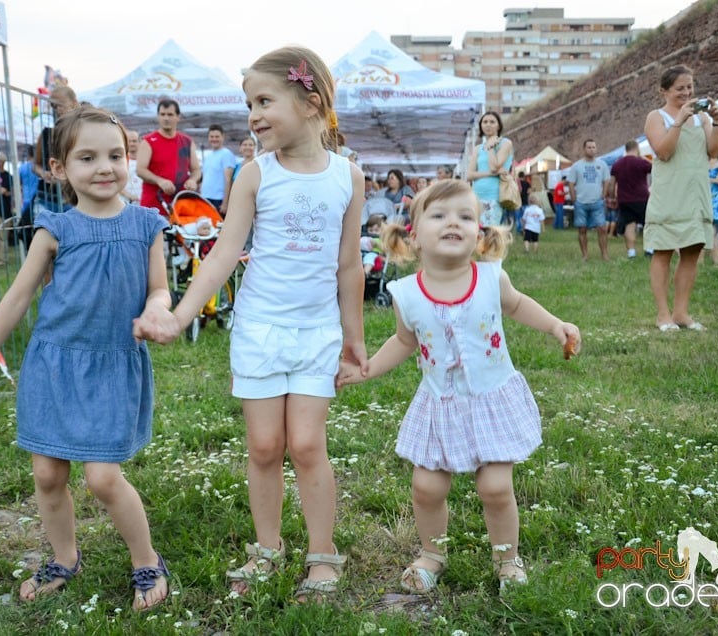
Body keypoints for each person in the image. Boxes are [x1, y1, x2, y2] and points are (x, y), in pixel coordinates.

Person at [134, 45, 367, 602]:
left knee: (307, 445)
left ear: (310, 101)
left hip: (317, 334)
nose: (253, 114)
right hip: (260, 330)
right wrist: (180, 313)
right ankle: (266, 549)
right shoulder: (253, 174)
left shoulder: (348, 177)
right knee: (264, 447)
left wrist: (354, 339)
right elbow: (220, 254)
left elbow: (350, 264)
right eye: (248, 104)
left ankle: (322, 555)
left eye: (265, 100)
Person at [0, 106, 172, 611]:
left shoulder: (146, 225)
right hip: (53, 366)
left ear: (130, 159)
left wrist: (158, 312)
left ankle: (146, 559)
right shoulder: (54, 229)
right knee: (48, 476)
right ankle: (64, 557)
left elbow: (159, 290)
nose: (104, 168)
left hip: (112, 365)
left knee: (102, 478)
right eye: (87, 157)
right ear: (59, 168)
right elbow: (17, 299)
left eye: (115, 155)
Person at [336, 179, 580, 594]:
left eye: (466, 217)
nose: (454, 223)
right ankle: (432, 554)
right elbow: (403, 341)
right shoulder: (406, 293)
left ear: (480, 235)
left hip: (492, 400)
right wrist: (368, 369)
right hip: (440, 404)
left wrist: (556, 325)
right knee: (426, 486)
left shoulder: (490, 279)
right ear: (413, 235)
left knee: (495, 486)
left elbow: (518, 304)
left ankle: (508, 559)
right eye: (440, 215)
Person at [644, 64, 718, 331]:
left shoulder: (701, 119)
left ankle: (681, 313)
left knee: (692, 251)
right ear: (664, 91)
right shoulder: (657, 117)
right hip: (669, 195)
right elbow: (664, 152)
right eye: (680, 88)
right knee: (663, 251)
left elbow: (714, 151)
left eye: (690, 87)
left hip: (696, 194)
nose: (687, 92)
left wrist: (717, 120)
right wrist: (679, 121)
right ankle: (662, 315)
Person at [137, 99, 201, 213]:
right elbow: (140, 170)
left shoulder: (187, 141)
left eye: (170, 114)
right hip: (153, 206)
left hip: (180, 206)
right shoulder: (148, 141)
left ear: (178, 117)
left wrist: (193, 180)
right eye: (162, 114)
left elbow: (196, 170)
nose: (166, 118)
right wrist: (159, 181)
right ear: (158, 117)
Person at [32, 86, 79, 222]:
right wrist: (44, 173)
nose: (57, 108)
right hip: (46, 198)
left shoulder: (82, 133)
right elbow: (36, 165)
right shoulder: (47, 134)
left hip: (74, 198)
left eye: (61, 103)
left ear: (74, 102)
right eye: (54, 105)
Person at [567, 139, 612, 261]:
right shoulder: (576, 166)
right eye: (589, 147)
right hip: (581, 202)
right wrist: (573, 198)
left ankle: (604, 254)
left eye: (593, 147)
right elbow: (571, 182)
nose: (592, 149)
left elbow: (607, 180)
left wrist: (604, 194)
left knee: (602, 228)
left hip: (597, 201)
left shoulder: (602, 165)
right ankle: (585, 255)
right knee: (582, 229)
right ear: (584, 149)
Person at [467, 111, 513, 227]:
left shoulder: (505, 143)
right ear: (481, 126)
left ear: (498, 125)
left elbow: (493, 167)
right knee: (476, 233)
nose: (488, 125)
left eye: (492, 122)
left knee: (490, 234)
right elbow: (469, 175)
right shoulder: (478, 148)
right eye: (485, 122)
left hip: (494, 197)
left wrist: (491, 146)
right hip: (477, 196)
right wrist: (489, 173)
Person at [609, 140, 652, 259]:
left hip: (624, 199)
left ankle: (631, 252)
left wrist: (612, 197)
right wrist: (644, 158)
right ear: (637, 148)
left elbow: (612, 183)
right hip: (642, 198)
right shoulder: (641, 162)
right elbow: (655, 168)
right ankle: (649, 250)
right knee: (647, 224)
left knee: (629, 225)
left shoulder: (617, 164)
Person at [200, 124, 236, 213]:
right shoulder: (208, 156)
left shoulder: (226, 154)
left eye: (217, 136)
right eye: (211, 136)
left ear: (222, 137)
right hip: (205, 198)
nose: (214, 139)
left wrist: (225, 203)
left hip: (218, 200)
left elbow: (228, 180)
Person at [122, 128, 143, 204]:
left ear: (139, 142)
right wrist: (129, 196)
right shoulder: (121, 160)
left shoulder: (145, 161)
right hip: (126, 201)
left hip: (143, 202)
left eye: (134, 141)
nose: (131, 144)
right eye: (129, 141)